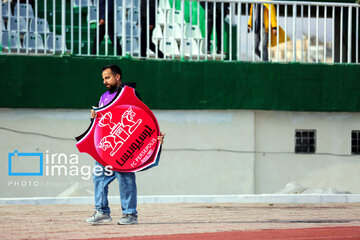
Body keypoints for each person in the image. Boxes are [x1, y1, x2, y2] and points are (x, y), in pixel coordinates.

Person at [85, 64, 165, 225]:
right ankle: (102, 211)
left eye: (107, 78)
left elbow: (142, 118)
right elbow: (102, 124)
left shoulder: (131, 94)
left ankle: (130, 215)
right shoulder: (103, 97)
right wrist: (94, 118)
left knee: (125, 179)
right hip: (106, 149)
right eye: (103, 79)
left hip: (124, 148)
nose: (104, 81)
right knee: (98, 177)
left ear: (118, 76)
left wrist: (153, 137)